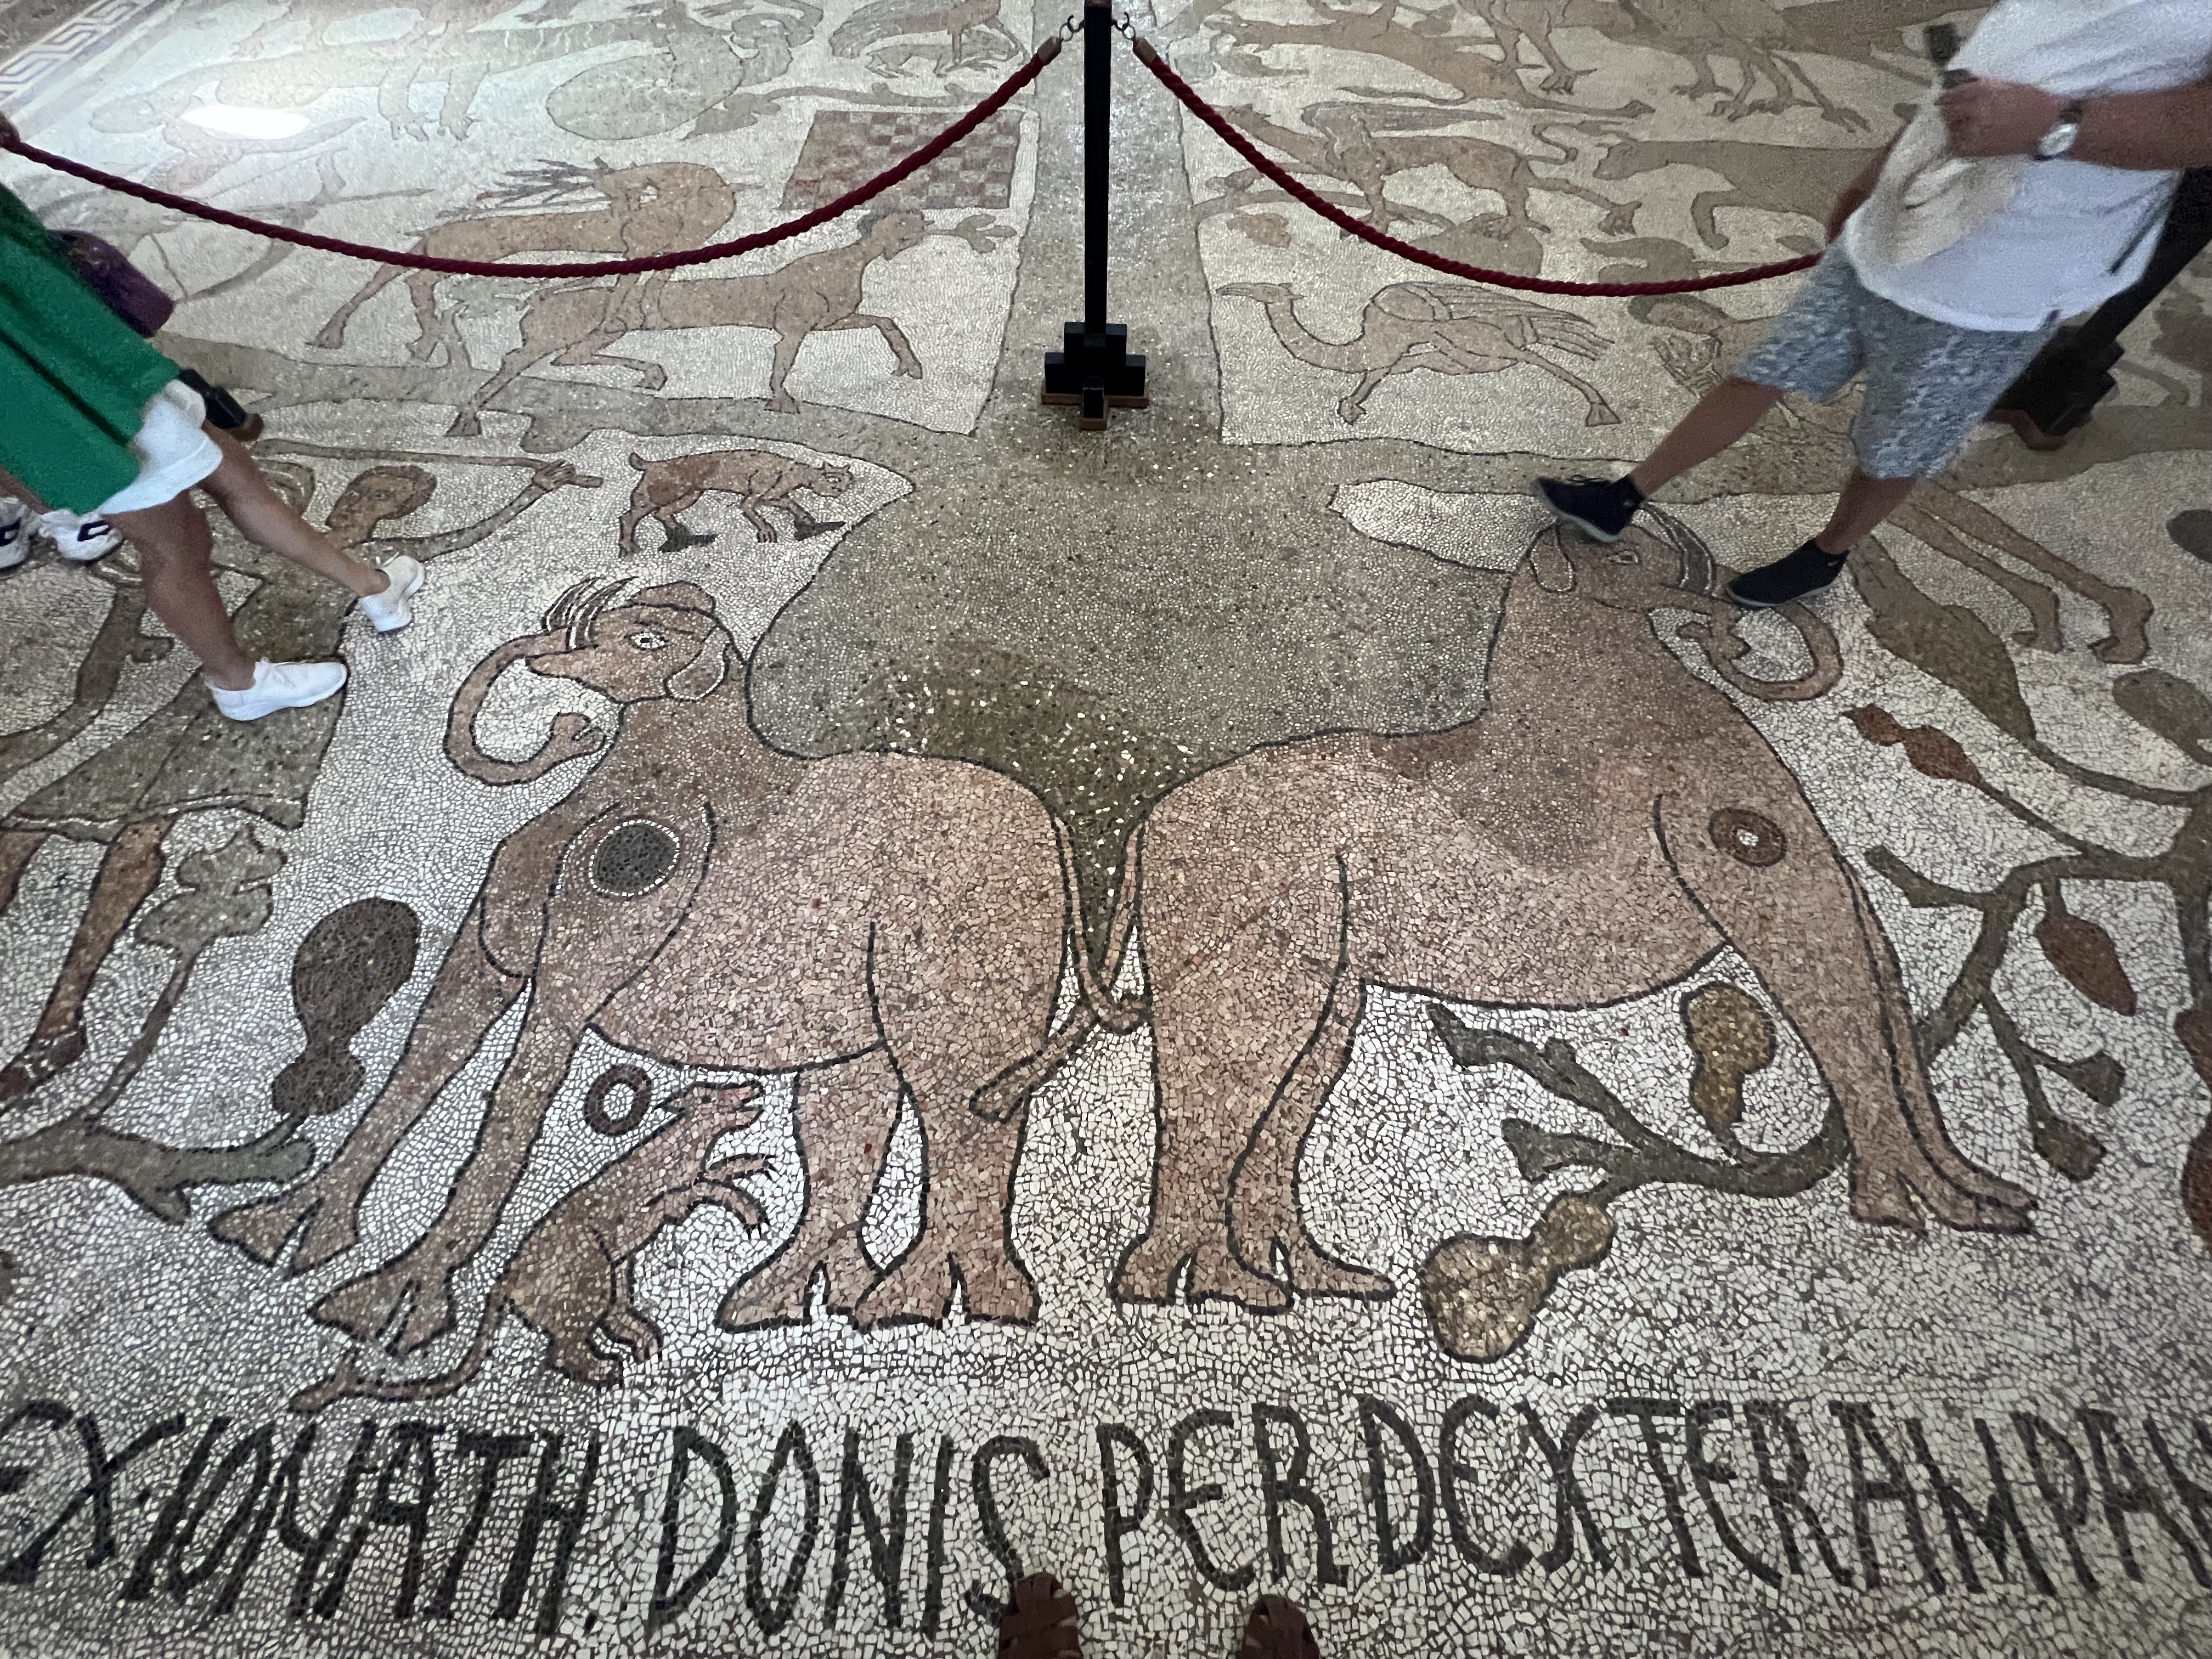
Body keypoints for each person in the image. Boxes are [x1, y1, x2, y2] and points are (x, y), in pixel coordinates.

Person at [1536, 0, 2212, 608]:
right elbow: (1996, 56)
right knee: (1765, 370)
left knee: (1899, 445)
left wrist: (2057, 124)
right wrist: (1880, 172)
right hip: (1900, 223)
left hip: (2007, 281)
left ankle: (1826, 554)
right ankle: (1624, 495)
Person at [0, 115, 420, 720]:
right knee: (176, 545)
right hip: (56, 409)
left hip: (94, 367)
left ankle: (376, 589)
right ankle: (237, 681)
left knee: (238, 479)